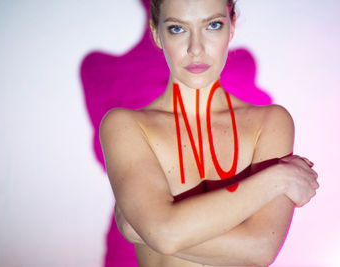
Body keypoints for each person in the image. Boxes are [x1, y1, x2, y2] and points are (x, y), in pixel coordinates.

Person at [100, 0, 319, 266]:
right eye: (177, 29)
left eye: (213, 25)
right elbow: (164, 235)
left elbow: (260, 248)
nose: (196, 49)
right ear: (157, 33)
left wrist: (149, 230)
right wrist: (278, 179)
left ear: (232, 27)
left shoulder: (270, 122)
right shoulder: (126, 125)